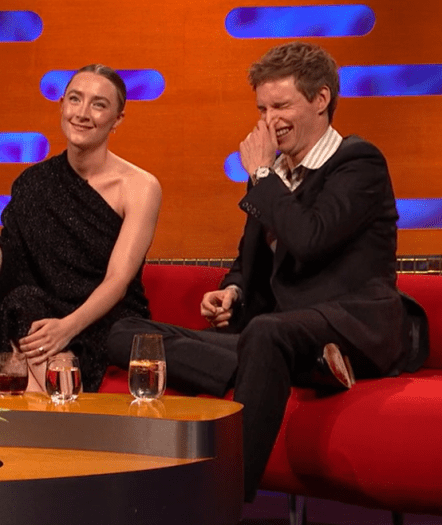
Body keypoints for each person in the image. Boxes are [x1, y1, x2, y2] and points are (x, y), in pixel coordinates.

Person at [108, 41, 427, 501]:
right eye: (262, 108)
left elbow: (310, 240)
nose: (269, 119)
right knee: (128, 334)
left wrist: (262, 177)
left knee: (265, 335)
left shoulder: (358, 163)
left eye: (281, 105)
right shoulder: (275, 174)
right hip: (279, 334)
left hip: (352, 325)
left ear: (320, 100)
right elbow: (248, 262)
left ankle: (224, 500)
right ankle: (308, 369)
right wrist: (233, 291)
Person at [0, 64, 161, 393]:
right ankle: (55, 413)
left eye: (99, 104)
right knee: (21, 301)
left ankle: (40, 423)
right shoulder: (32, 184)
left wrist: (67, 327)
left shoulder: (140, 186)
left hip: (106, 317)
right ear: (62, 105)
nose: (83, 113)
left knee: (25, 313)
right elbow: (8, 274)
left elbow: (118, 280)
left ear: (118, 119)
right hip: (39, 314)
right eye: (75, 100)